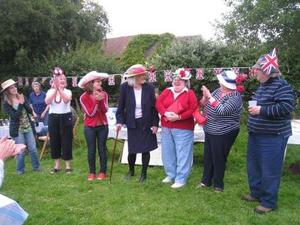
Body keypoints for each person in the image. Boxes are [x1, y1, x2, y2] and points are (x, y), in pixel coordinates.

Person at [242, 50, 295, 214]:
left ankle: (269, 202)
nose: (255, 72)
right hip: (256, 133)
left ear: (267, 71)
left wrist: (261, 110)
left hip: (273, 136)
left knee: (270, 169)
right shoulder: (263, 86)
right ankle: (256, 193)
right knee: (254, 166)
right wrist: (256, 110)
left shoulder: (282, 86)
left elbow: (287, 108)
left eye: (257, 69)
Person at [197, 70, 242, 192]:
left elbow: (222, 110)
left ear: (226, 84)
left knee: (219, 158)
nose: (218, 83)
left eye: (220, 81)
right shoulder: (218, 91)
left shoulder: (235, 97)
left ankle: (218, 184)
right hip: (210, 129)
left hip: (225, 132)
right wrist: (205, 99)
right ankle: (205, 181)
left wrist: (210, 96)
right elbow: (204, 104)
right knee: (208, 156)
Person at [116, 64, 159, 183]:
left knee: (146, 149)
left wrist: (155, 124)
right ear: (134, 78)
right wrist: (119, 122)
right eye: (141, 76)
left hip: (146, 122)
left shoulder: (149, 88)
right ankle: (131, 171)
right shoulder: (125, 87)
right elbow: (120, 107)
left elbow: (154, 108)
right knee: (132, 149)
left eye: (144, 75)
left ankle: (144, 174)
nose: (144, 77)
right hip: (132, 123)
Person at [156, 68, 198, 188]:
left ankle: (181, 178)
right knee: (168, 152)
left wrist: (179, 117)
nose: (177, 81)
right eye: (175, 79)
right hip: (166, 126)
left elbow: (192, 109)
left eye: (180, 79)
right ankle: (171, 174)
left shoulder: (189, 93)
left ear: (186, 82)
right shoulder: (167, 91)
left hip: (183, 128)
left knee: (183, 153)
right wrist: (165, 113)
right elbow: (158, 103)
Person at [1, 79, 41, 175]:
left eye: (14, 86)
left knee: (33, 149)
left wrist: (24, 103)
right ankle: (20, 170)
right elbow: (15, 116)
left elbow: (30, 111)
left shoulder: (22, 96)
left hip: (28, 127)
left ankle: (37, 167)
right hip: (18, 129)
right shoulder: (6, 103)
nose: (14, 88)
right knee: (20, 150)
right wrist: (20, 104)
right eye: (11, 88)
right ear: (7, 91)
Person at [78, 71, 109, 181]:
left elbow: (105, 110)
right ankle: (92, 172)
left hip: (103, 126)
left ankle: (102, 172)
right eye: (97, 81)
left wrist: (100, 101)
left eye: (100, 81)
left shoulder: (104, 94)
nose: (100, 83)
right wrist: (96, 101)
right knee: (91, 150)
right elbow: (90, 114)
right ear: (91, 83)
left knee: (102, 149)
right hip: (89, 127)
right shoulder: (83, 97)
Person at [45, 67, 73, 174]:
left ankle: (68, 166)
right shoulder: (50, 91)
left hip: (65, 117)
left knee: (66, 140)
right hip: (53, 117)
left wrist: (60, 90)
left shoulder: (68, 91)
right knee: (55, 141)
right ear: (55, 80)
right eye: (60, 79)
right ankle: (57, 165)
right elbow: (47, 101)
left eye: (64, 79)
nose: (62, 80)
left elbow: (66, 100)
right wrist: (55, 90)